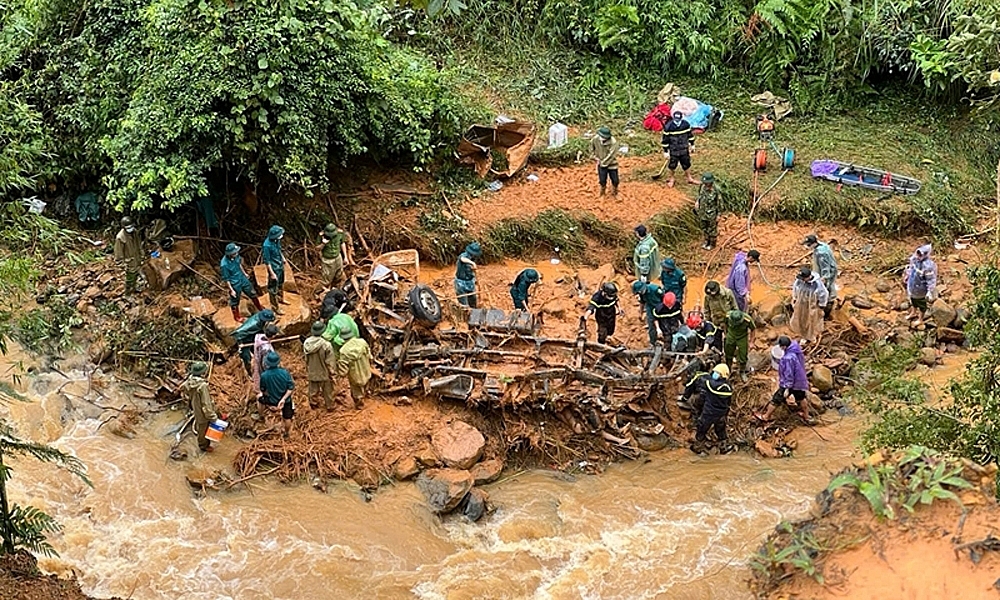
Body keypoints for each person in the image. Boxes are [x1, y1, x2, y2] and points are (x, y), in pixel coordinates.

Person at [756, 336, 812, 423]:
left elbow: (788, 374)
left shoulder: (788, 358)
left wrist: (786, 387)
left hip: (790, 383)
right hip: (799, 380)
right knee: (801, 397)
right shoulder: (795, 347)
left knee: (776, 399)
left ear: (784, 347)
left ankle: (766, 416)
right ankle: (806, 416)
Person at [180, 361, 218, 453]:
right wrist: (213, 417)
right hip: (203, 412)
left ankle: (203, 443)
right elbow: (206, 403)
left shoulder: (189, 382)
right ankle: (203, 446)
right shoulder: (202, 386)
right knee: (203, 429)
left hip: (196, 408)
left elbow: (183, 391)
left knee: (200, 426)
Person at [220, 242, 263, 323]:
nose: (236, 254)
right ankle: (237, 317)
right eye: (234, 253)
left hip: (242, 278)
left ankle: (259, 307)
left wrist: (245, 273)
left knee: (252, 292)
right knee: (235, 300)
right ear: (229, 254)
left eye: (236, 252)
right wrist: (231, 290)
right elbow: (226, 279)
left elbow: (239, 264)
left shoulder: (236, 257)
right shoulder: (224, 264)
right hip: (234, 283)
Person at [695, 364, 734, 447]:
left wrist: (699, 374)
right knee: (720, 429)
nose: (714, 374)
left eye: (717, 372)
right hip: (721, 413)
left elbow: (703, 381)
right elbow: (729, 402)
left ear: (722, 375)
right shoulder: (728, 387)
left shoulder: (713, 385)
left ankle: (698, 445)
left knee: (702, 427)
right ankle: (724, 445)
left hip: (709, 412)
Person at [259, 351, 295, 439]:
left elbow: (263, 389)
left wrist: (268, 402)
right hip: (285, 401)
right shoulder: (285, 373)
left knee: (259, 398)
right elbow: (290, 388)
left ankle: (261, 416)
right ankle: (286, 434)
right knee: (287, 418)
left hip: (272, 401)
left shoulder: (264, 375)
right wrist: (283, 399)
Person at [303, 321, 338, 411]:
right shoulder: (326, 345)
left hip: (312, 370)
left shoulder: (307, 343)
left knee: (313, 389)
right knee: (328, 390)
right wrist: (333, 373)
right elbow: (330, 362)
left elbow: (306, 358)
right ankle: (330, 406)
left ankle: (314, 404)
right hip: (324, 372)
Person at [790, 266, 829, 343]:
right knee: (801, 320)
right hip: (801, 305)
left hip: (812, 305)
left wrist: (822, 304)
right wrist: (794, 298)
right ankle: (803, 335)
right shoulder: (799, 281)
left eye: (804, 278)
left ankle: (812, 336)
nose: (802, 280)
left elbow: (823, 294)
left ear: (808, 277)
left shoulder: (817, 284)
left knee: (812, 320)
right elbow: (795, 288)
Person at [337, 324, 373, 408]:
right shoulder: (362, 342)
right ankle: (367, 393)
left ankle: (360, 405)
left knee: (357, 392)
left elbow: (343, 370)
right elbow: (369, 355)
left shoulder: (343, 351)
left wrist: (340, 373)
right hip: (366, 371)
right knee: (365, 383)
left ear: (342, 337)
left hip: (355, 376)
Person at [804, 235, 838, 319]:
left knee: (827, 288)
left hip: (828, 272)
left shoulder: (821, 253)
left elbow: (825, 267)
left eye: (808, 245)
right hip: (831, 268)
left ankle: (827, 309)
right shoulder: (822, 245)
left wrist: (824, 278)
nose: (807, 246)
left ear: (814, 243)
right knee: (829, 287)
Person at [661, 110, 698, 187]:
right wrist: (665, 151)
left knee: (686, 163)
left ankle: (689, 178)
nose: (677, 121)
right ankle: (672, 179)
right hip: (674, 150)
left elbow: (690, 135)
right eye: (676, 120)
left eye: (679, 120)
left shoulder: (685, 125)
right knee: (672, 165)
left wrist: (692, 145)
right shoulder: (668, 127)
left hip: (684, 148)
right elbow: (665, 140)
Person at [903, 244, 937, 329]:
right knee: (913, 300)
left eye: (920, 254)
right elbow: (910, 268)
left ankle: (920, 318)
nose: (918, 256)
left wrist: (930, 291)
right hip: (912, 285)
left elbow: (931, 279)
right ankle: (913, 312)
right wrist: (907, 275)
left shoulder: (928, 266)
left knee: (921, 304)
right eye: (918, 253)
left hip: (921, 289)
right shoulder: (915, 260)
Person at [233, 309, 276, 373]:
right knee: (246, 357)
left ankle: (257, 356)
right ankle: (248, 371)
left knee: (258, 350)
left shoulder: (260, 318)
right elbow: (239, 333)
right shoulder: (254, 324)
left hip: (252, 334)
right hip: (243, 338)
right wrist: (241, 343)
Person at [251, 323, 279, 413]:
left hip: (256, 365)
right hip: (263, 372)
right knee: (262, 394)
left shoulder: (258, 337)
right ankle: (261, 412)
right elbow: (265, 364)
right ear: (273, 335)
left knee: (258, 388)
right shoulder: (266, 349)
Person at [114, 216, 144, 295]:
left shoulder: (135, 232)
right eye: (128, 227)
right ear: (124, 227)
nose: (131, 228)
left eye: (131, 226)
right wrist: (122, 265)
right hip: (129, 262)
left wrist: (142, 255)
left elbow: (139, 244)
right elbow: (118, 253)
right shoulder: (120, 238)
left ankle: (134, 288)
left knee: (136, 275)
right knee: (130, 279)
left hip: (137, 258)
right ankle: (127, 294)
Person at [262, 224, 287, 314]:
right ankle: (275, 307)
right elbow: (267, 261)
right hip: (274, 268)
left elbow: (279, 250)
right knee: (273, 288)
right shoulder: (266, 246)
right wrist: (272, 273)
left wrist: (283, 258)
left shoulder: (276, 241)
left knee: (281, 283)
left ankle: (280, 299)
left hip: (280, 265)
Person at [319, 223, 351, 290]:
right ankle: (321, 292)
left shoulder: (340, 233)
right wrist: (323, 244)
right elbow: (317, 248)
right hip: (327, 259)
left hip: (338, 257)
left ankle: (335, 289)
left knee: (339, 275)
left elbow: (342, 243)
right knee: (326, 278)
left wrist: (345, 257)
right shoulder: (321, 235)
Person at [633, 280, 665, 346]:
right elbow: (642, 303)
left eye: (640, 291)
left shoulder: (655, 289)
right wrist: (641, 313)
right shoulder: (641, 294)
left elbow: (664, 297)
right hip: (650, 308)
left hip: (661, 307)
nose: (640, 293)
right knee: (651, 326)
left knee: (663, 324)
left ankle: (664, 341)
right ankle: (652, 343)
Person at [590, 126, 620, 197]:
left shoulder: (613, 142)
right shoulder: (595, 139)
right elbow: (591, 148)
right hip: (600, 162)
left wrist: (604, 163)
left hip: (612, 164)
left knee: (615, 180)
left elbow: (611, 155)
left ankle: (615, 192)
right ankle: (602, 192)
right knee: (602, 180)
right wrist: (594, 157)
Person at [723, 309, 756, 374]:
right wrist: (726, 333)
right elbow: (725, 324)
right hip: (731, 335)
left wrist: (751, 342)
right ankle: (728, 369)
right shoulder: (728, 315)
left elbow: (753, 329)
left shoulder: (747, 319)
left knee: (743, 355)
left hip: (742, 337)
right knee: (728, 353)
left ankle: (742, 372)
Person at [695, 173, 720, 249]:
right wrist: (697, 202)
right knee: (704, 227)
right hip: (702, 212)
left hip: (711, 213)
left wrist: (719, 214)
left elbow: (719, 203)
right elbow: (700, 195)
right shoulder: (702, 186)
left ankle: (712, 243)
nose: (706, 184)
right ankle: (706, 241)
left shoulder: (716, 190)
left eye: (707, 183)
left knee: (712, 229)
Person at [454, 242, 482, 308]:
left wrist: (475, 280)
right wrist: (472, 263)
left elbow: (472, 272)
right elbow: (462, 259)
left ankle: (474, 312)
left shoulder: (473, 258)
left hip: (469, 282)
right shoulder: (464, 255)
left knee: (473, 299)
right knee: (464, 304)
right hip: (460, 282)